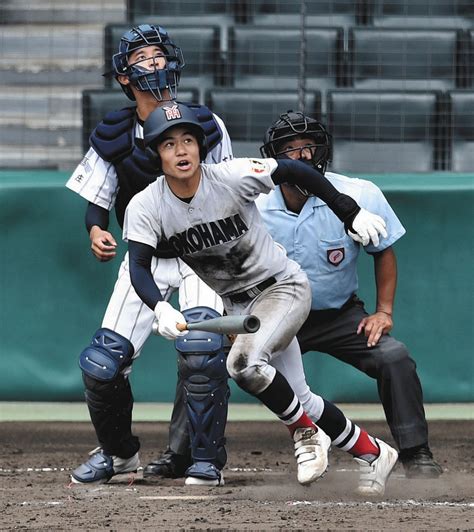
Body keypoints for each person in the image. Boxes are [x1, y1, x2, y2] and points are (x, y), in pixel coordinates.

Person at [123, 102, 399, 494]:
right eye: (169, 144)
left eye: (188, 140)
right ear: (155, 154)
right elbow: (138, 267)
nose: (181, 151)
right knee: (300, 396)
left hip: (282, 288)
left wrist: (349, 212)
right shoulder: (146, 205)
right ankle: (373, 452)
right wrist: (161, 306)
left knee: (243, 365)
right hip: (238, 307)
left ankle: (306, 435)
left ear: (201, 147)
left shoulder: (230, 176)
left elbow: (294, 169)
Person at [66, 23, 234, 486]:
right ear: (124, 76)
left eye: (159, 55)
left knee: (202, 350)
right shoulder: (114, 131)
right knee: (103, 363)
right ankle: (119, 455)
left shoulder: (206, 123)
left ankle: (204, 461)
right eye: (142, 57)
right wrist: (96, 230)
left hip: (204, 252)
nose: (154, 63)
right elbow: (97, 202)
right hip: (144, 255)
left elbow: (232, 195)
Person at [257, 111, 442, 479]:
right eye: (290, 149)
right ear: (275, 156)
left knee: (395, 358)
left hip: (338, 315)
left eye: (309, 146)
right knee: (205, 361)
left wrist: (383, 311)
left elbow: (383, 251)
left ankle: (416, 454)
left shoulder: (359, 194)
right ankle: (199, 458)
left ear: (323, 150)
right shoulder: (255, 203)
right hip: (275, 316)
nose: (302, 156)